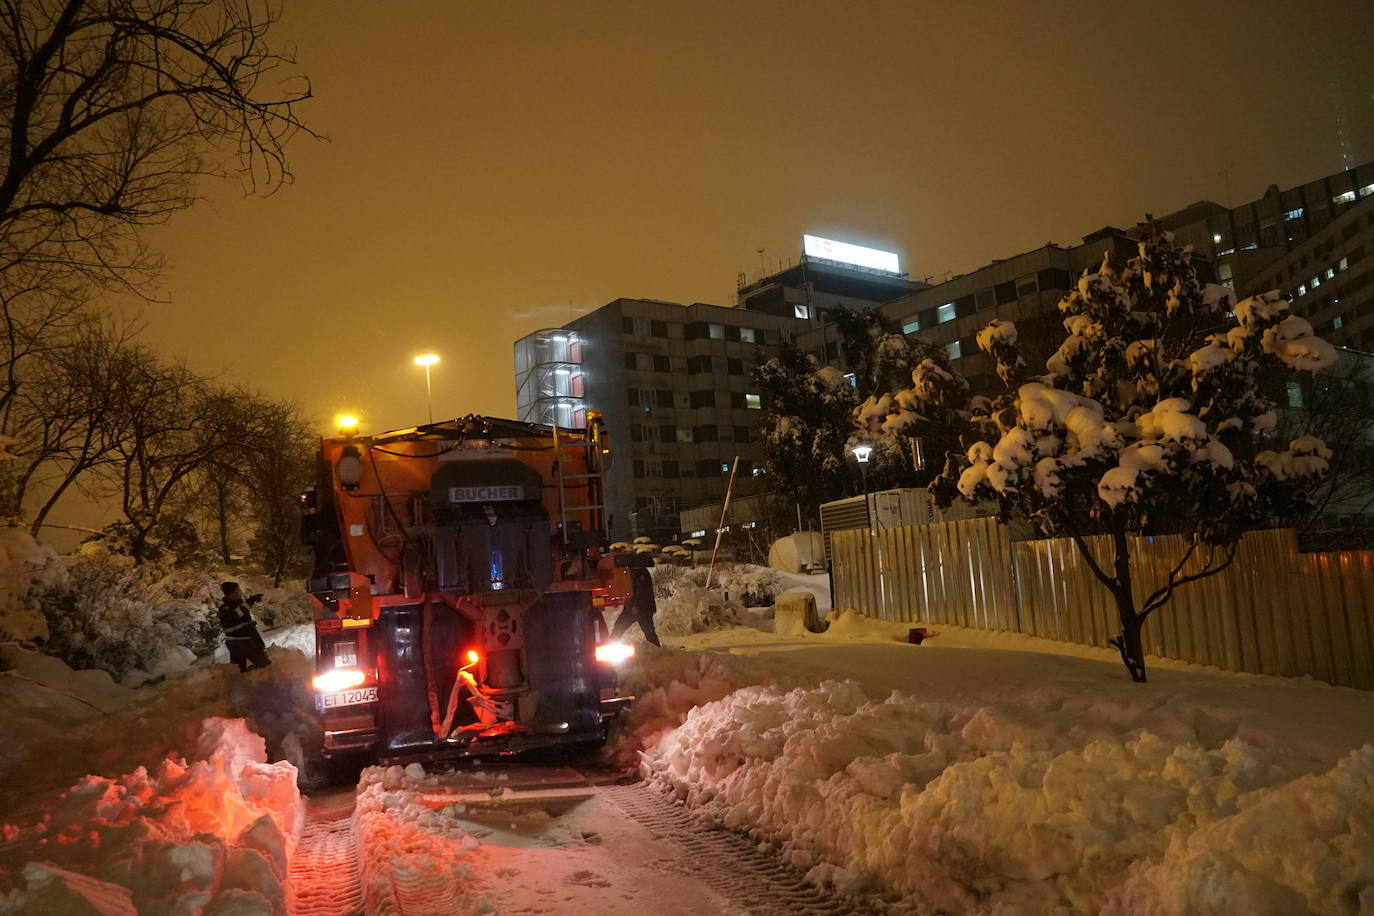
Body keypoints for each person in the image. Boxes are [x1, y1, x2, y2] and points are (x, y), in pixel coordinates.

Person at [218, 581, 271, 672]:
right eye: (237, 591)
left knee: (239, 671)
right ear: (231, 593)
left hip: (246, 641)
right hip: (240, 644)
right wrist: (251, 600)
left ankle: (246, 680)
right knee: (264, 665)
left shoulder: (237, 605)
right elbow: (238, 613)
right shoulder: (225, 608)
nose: (240, 593)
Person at [611, 559, 661, 647]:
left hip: (641, 608)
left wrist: (635, 605)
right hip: (633, 607)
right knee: (619, 626)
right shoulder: (633, 572)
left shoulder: (639, 572)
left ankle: (657, 650)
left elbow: (642, 590)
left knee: (648, 631)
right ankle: (611, 646)